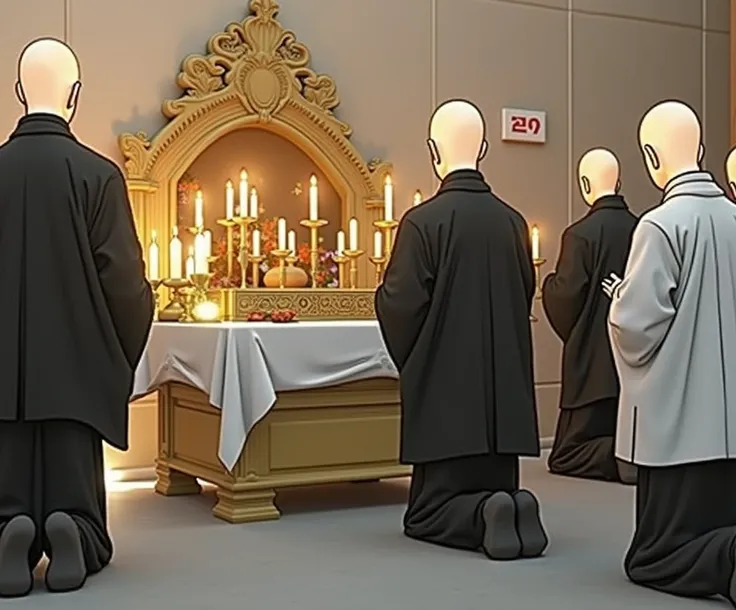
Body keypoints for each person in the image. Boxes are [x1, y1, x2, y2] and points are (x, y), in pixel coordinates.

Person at [0, 38, 153, 597]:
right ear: (75, 97)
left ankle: (6, 531)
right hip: (75, 374)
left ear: (17, 94)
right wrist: (117, 359)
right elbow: (125, 286)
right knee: (75, 486)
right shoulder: (98, 175)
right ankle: (77, 532)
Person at [375, 99, 547, 561]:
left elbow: (400, 305)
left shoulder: (423, 222)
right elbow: (523, 295)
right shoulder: (512, 222)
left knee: (425, 514)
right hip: (500, 406)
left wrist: (418, 361)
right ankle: (510, 500)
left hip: (447, 406)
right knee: (497, 485)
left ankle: (481, 513)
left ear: (434, 152)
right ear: (485, 148)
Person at [603, 100, 736, 605]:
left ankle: (725, 559)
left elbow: (637, 325)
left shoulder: (660, 225)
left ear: (651, 156)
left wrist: (617, 298)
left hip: (679, 428)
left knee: (652, 558)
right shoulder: (735, 218)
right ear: (702, 151)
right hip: (730, 427)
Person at [542, 148, 637, 484]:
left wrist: (548, 284)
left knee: (565, 454)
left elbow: (567, 299)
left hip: (591, 366)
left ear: (585, 184)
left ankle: (618, 457)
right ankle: (634, 451)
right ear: (619, 181)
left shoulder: (580, 234)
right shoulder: (643, 228)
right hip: (631, 362)